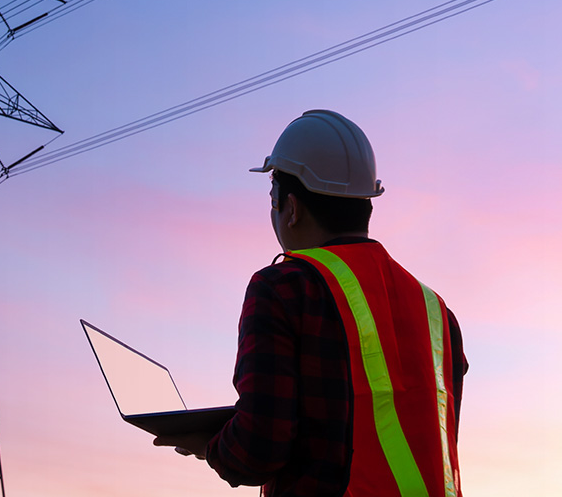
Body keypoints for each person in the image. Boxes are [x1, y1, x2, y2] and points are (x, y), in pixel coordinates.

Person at [155, 110, 466, 496]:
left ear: (292, 207)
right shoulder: (438, 312)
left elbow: (258, 449)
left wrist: (212, 445)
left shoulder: (283, 289)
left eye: (273, 198)